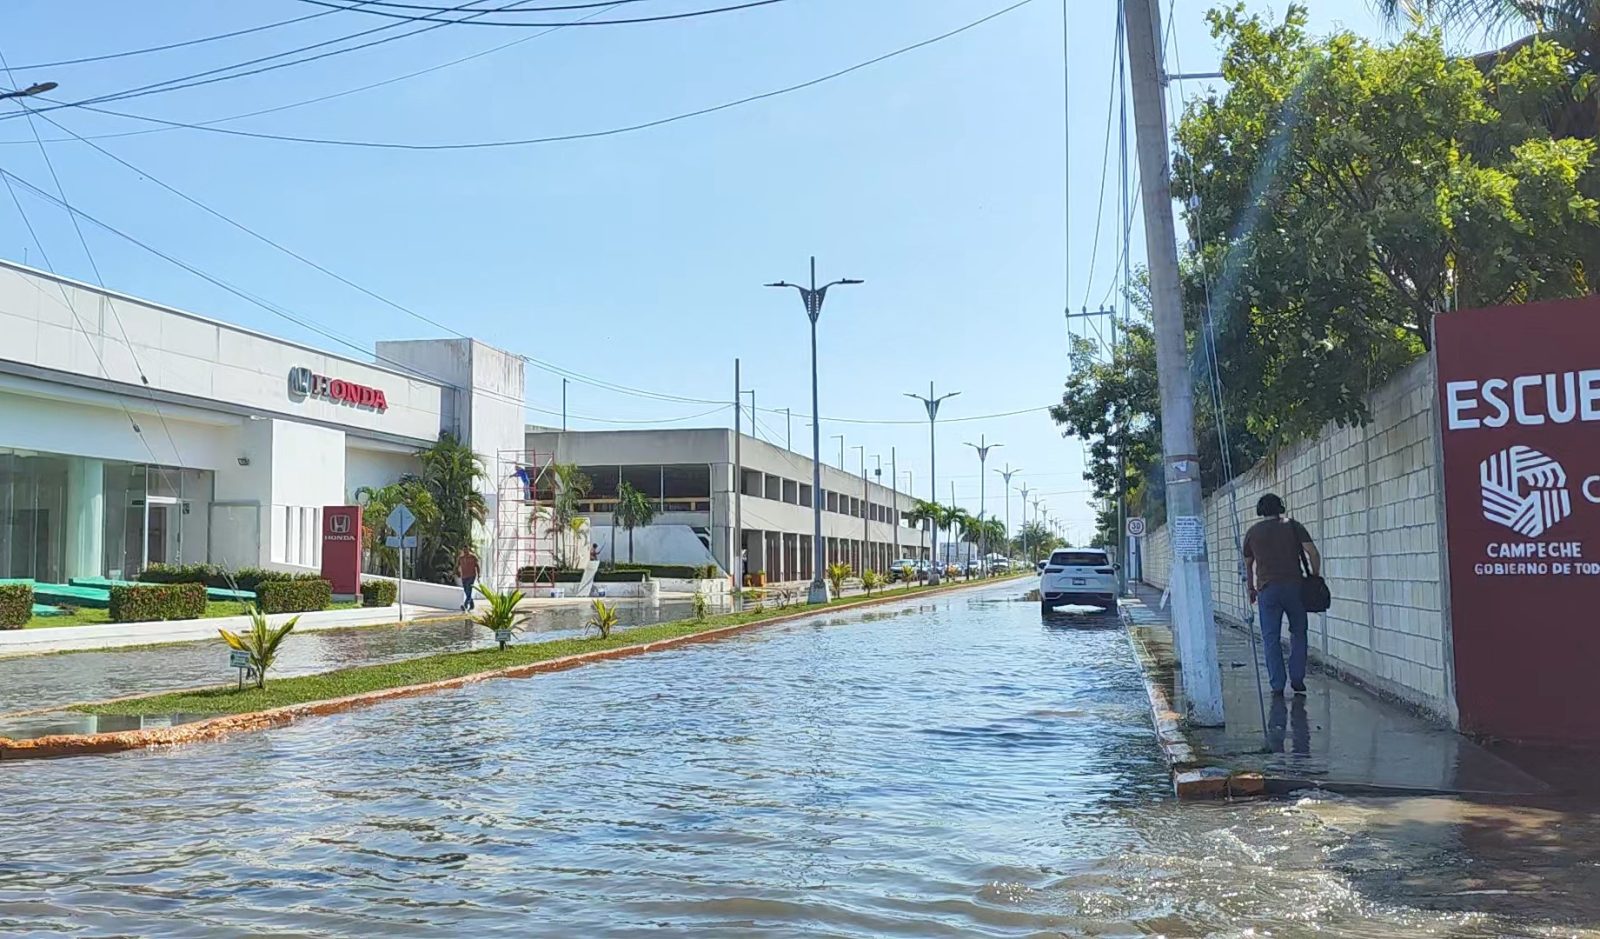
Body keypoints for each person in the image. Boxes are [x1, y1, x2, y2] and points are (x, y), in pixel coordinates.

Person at [1243, 493, 1321, 696]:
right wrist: (1314, 575)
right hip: (1294, 588)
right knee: (1298, 632)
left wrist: (1251, 588)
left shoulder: (1253, 532)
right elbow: (1312, 552)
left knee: (1271, 638)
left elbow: (1248, 564)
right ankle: (1297, 678)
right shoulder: (1292, 526)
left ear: (1261, 510)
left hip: (1267, 590)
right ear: (1280, 507)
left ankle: (1277, 683)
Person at [457, 546, 480, 612]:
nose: (465, 552)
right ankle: (472, 604)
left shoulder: (473, 557)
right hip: (464, 576)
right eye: (464, 551)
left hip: (471, 576)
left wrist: (479, 575)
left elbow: (477, 566)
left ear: (468, 550)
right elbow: (457, 566)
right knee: (466, 591)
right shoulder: (461, 558)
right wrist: (457, 572)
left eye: (466, 551)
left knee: (469, 589)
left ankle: (465, 605)